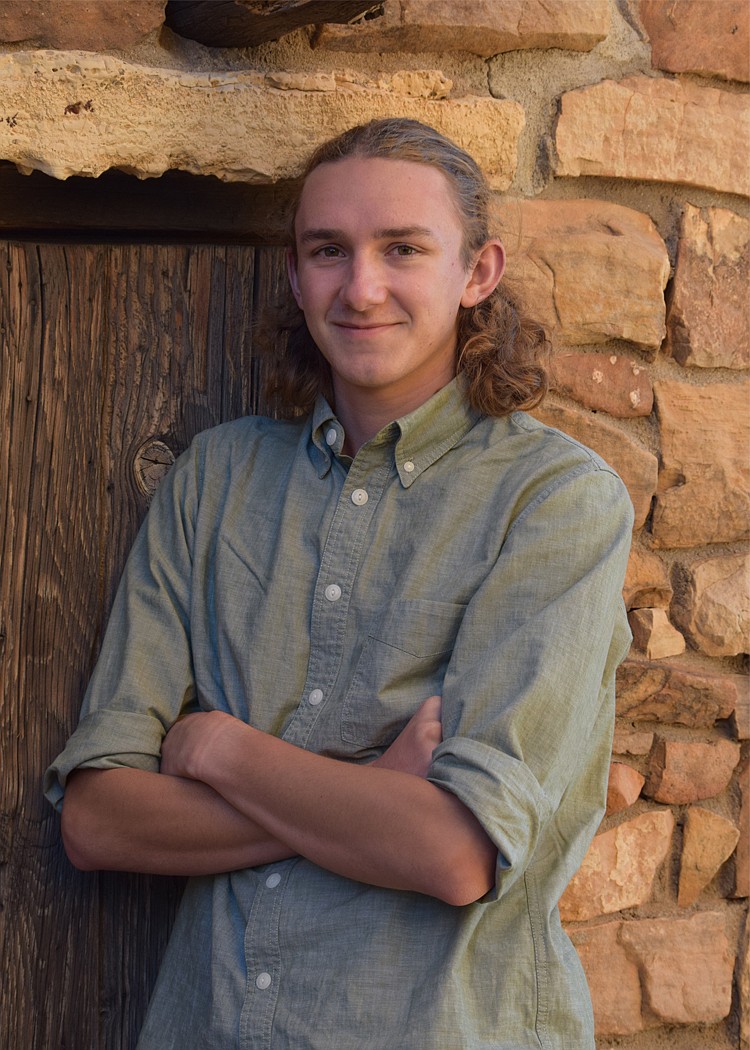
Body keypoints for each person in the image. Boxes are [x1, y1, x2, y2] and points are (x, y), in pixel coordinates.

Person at [46, 118, 633, 1049]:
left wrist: (220, 750)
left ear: (477, 272)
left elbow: (451, 852)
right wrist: (369, 789)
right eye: (328, 251)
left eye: (403, 248)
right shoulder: (215, 480)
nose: (361, 287)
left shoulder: (556, 502)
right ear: (294, 274)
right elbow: (100, 820)